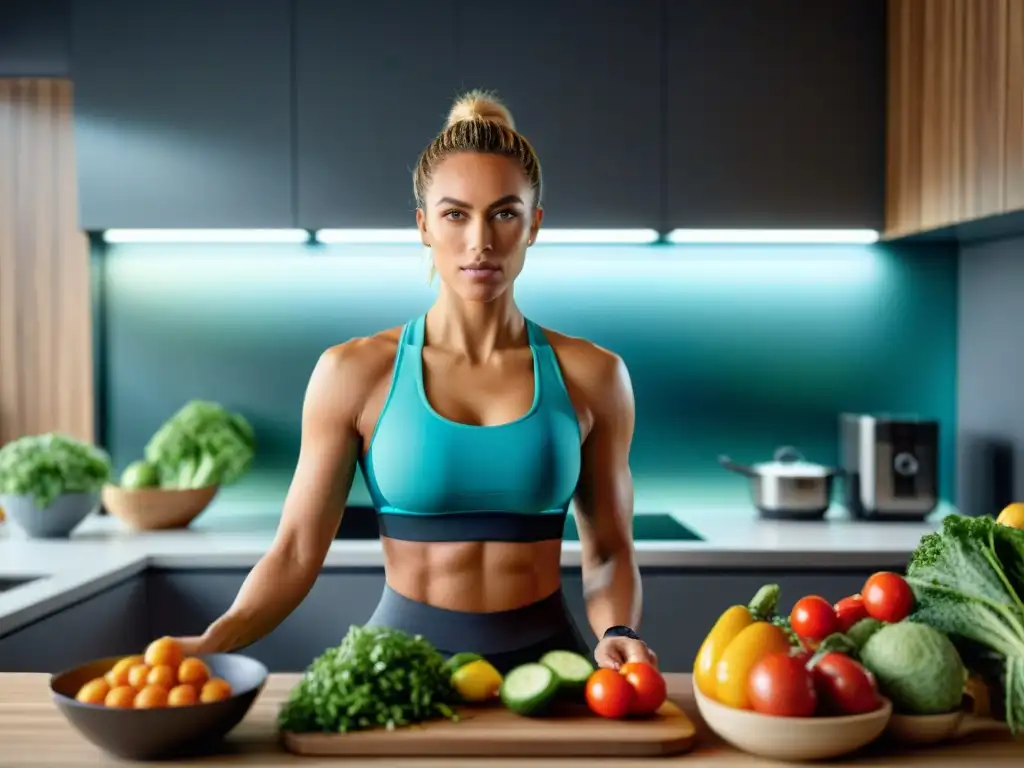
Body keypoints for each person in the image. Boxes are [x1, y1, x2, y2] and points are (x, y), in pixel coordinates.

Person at [174, 90, 658, 674]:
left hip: (550, 675)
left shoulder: (594, 375)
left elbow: (608, 552)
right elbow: (296, 552)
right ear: (423, 225)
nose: (480, 241)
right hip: (398, 675)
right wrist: (212, 641)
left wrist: (618, 631)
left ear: (534, 225)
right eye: (455, 214)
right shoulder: (353, 373)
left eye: (504, 213)